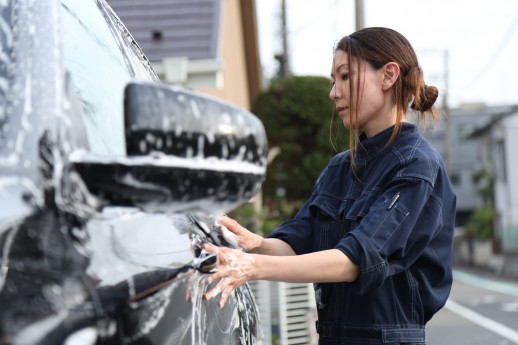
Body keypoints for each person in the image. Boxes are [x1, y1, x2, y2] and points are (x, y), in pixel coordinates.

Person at [203, 27, 456, 345]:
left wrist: (252, 266)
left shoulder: (416, 165)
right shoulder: (339, 167)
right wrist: (255, 244)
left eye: (345, 77)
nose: (333, 92)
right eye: (334, 80)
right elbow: (299, 242)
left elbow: (356, 259)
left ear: (388, 75)